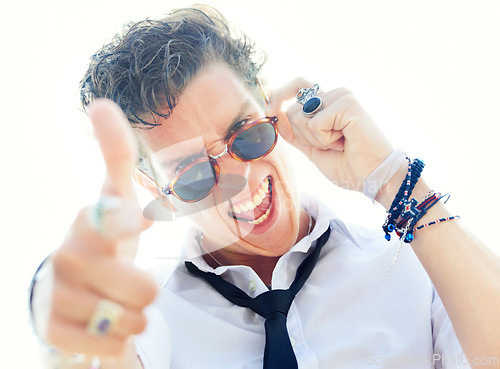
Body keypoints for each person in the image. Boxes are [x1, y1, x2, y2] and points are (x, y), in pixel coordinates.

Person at [29, 5, 500, 369]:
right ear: (152, 188)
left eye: (246, 134)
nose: (242, 181)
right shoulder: (146, 319)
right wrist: (58, 305)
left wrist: (393, 177)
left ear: (269, 106)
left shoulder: (411, 268)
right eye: (193, 173)